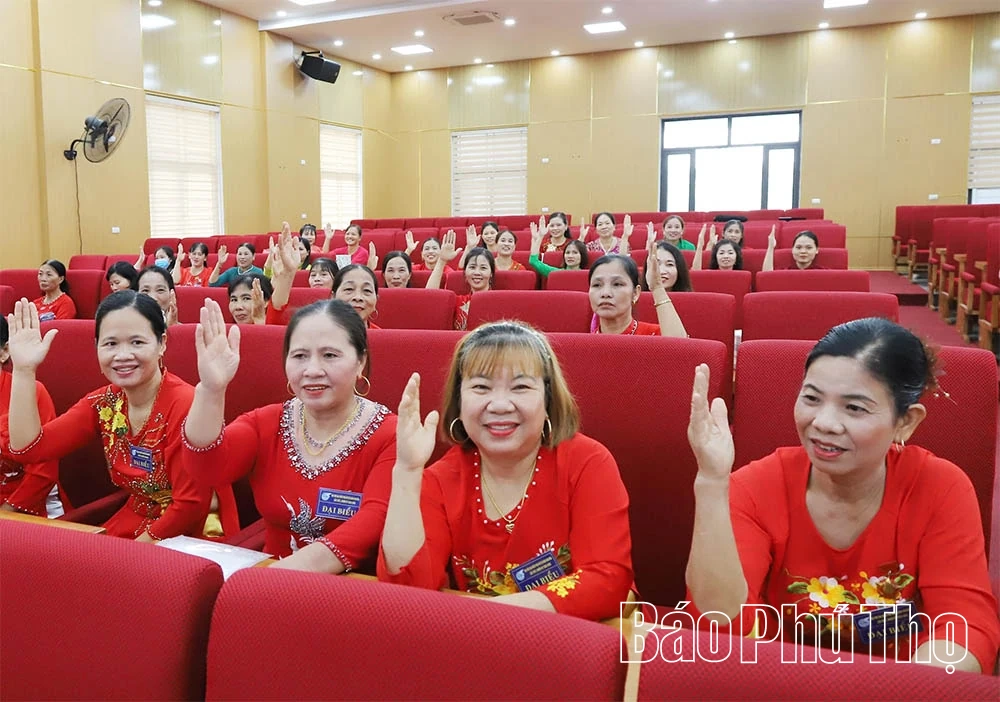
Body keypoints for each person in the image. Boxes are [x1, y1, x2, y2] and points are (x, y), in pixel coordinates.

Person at [685, 318, 1000, 674]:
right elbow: (717, 623)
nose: (824, 423)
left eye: (854, 408)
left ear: (906, 421)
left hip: (904, 683)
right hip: (778, 678)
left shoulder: (940, 488)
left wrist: (908, 688)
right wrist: (712, 482)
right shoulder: (756, 486)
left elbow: (964, 628)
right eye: (811, 398)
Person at [378, 322, 634, 620]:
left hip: (567, 637)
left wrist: (488, 615)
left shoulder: (587, 462)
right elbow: (408, 590)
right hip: (474, 638)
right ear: (459, 401)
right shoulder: (441, 479)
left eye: (521, 387)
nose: (499, 405)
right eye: (481, 387)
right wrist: (407, 472)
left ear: (548, 399)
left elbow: (607, 579)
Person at [182, 298, 397, 571]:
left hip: (351, 584)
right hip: (271, 570)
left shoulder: (390, 434)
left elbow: (375, 519)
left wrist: (275, 579)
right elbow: (206, 468)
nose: (312, 370)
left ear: (360, 361)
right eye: (299, 356)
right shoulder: (267, 422)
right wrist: (211, 391)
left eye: (330, 355)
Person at [2, 292, 237, 540]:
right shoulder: (104, 403)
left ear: (162, 343)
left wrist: (128, 554)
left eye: (137, 342)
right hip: (137, 518)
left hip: (195, 531)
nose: (122, 355)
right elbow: (29, 449)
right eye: (111, 344)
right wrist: (24, 370)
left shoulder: (185, 404)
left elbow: (191, 504)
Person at [0, 315, 62, 517]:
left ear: (5, 352)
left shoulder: (32, 392)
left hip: (22, 507)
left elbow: (43, 470)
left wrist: (7, 513)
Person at [588, 249, 688, 337]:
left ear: (635, 293)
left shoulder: (653, 335)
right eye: (597, 285)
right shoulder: (584, 344)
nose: (605, 293)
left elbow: (679, 348)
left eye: (617, 284)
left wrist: (657, 287)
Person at [425, 231, 492, 331]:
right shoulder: (457, 301)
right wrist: (442, 260)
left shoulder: (499, 301)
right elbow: (430, 297)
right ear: (465, 273)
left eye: (483, 268)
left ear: (491, 273)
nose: (477, 272)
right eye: (472, 267)